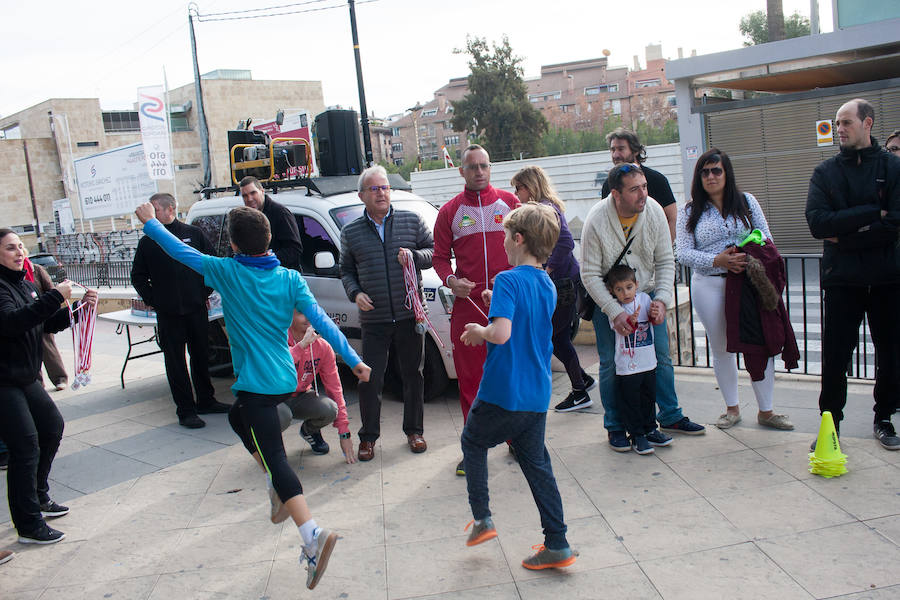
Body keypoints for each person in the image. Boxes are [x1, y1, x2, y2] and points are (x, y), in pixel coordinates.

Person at [134, 202, 371, 589]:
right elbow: (324, 322)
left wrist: (150, 224)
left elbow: (180, 250)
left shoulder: (225, 271)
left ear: (232, 244)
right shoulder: (289, 278)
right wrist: (354, 360)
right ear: (268, 240)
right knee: (235, 419)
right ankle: (275, 488)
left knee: (277, 460)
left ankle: (312, 535)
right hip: (280, 376)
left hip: (259, 385)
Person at [459, 202, 576, 571]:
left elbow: (503, 333)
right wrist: (498, 306)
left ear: (519, 239)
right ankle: (557, 542)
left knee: (472, 441)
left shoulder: (507, 279)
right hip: (536, 395)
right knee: (537, 465)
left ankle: (482, 519)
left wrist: (482, 331)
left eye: (506, 236)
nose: (503, 243)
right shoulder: (546, 283)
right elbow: (526, 318)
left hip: (503, 391)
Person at [582, 163, 705, 451]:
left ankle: (667, 417)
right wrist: (615, 312)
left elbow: (664, 260)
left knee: (659, 359)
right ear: (616, 194)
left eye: (645, 186)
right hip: (608, 302)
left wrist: (661, 301)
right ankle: (615, 425)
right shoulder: (596, 218)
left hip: (647, 296)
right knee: (611, 364)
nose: (643, 194)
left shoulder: (653, 211)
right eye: (635, 189)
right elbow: (588, 274)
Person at [806, 98, 900, 451]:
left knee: (890, 352)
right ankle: (830, 424)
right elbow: (817, 223)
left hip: (887, 277)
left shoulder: (892, 168)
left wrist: (843, 235)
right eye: (836, 123)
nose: (839, 129)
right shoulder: (825, 172)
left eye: (846, 122)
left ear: (868, 123)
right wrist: (872, 212)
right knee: (836, 355)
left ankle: (884, 417)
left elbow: (894, 226)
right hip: (842, 279)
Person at [677, 149, 793, 431]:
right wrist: (717, 260)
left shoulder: (747, 202)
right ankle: (732, 408)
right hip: (710, 284)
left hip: (748, 285)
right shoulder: (689, 211)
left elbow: (767, 237)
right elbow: (682, 253)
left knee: (761, 343)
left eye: (716, 170)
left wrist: (747, 253)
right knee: (721, 349)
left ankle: (767, 411)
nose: (711, 176)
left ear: (726, 173)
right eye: (705, 172)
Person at [0, 228, 98, 545]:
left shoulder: (26, 284)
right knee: (25, 446)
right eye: (11, 248)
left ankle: (40, 495)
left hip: (26, 377)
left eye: (21, 247)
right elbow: (12, 323)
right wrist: (55, 296)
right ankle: (28, 525)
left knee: (52, 427)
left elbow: (43, 324)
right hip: (4, 381)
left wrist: (77, 310)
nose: (20, 253)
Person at [433, 144, 519, 475]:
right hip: (468, 306)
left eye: (484, 165)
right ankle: (474, 448)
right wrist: (451, 280)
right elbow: (440, 257)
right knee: (471, 380)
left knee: (510, 373)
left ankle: (516, 438)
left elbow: (527, 245)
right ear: (462, 172)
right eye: (473, 167)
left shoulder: (510, 204)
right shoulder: (450, 211)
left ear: (490, 168)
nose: (479, 171)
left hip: (505, 302)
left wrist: (512, 276)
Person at [340, 165, 434, 461]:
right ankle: (368, 438)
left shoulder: (411, 220)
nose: (381, 193)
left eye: (384, 188)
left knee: (413, 376)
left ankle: (414, 431)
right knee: (370, 378)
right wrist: (356, 293)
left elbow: (433, 252)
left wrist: (415, 256)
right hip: (375, 319)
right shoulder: (351, 232)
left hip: (409, 314)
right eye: (374, 189)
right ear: (362, 195)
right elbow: (346, 270)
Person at [131, 193, 229, 429]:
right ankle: (185, 409)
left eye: (154, 209)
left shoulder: (193, 234)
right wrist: (155, 300)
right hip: (169, 313)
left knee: (201, 356)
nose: (150, 215)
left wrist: (203, 293)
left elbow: (212, 265)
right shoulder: (147, 242)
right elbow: (138, 276)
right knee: (175, 362)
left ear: (170, 209)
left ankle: (206, 400)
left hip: (196, 308)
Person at [509, 166, 595, 411]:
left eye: (519, 188)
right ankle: (582, 379)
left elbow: (566, 242)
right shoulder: (544, 207)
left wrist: (546, 271)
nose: (517, 194)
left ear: (531, 186)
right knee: (556, 335)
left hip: (561, 283)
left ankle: (579, 391)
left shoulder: (546, 208)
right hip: (561, 282)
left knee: (556, 335)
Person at [604, 265, 666, 454]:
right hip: (628, 366)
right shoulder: (615, 310)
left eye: (629, 287)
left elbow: (655, 322)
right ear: (612, 291)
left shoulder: (645, 299)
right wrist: (631, 319)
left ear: (637, 285)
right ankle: (637, 434)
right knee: (631, 401)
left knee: (648, 397)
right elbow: (624, 328)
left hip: (648, 361)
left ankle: (650, 429)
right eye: (619, 289)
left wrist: (656, 315)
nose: (625, 293)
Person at [287, 311, 356, 463]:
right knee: (280, 416)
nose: (307, 317)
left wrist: (344, 433)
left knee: (330, 408)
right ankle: (269, 445)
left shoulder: (322, 347)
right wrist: (302, 346)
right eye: (300, 313)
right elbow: (276, 367)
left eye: (309, 312)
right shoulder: (278, 337)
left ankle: (309, 431)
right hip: (274, 398)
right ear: (288, 314)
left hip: (301, 395)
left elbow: (335, 388)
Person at [601, 128, 678, 240]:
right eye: (613, 150)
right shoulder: (608, 185)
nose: (615, 155)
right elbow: (606, 222)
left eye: (621, 149)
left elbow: (673, 218)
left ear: (635, 151)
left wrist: (664, 250)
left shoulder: (657, 180)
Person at [240, 175, 303, 271]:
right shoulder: (244, 218)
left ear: (262, 191)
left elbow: (294, 249)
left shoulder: (280, 213)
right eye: (245, 196)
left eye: (253, 193)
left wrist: (266, 262)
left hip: (280, 277)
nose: (249, 199)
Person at [30, 261, 68, 391]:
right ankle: (38, 383)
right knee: (31, 352)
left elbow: (51, 290)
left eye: (20, 248)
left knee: (48, 347)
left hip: (43, 314)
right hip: (26, 318)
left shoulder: (36, 269)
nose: (18, 253)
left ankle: (60, 378)